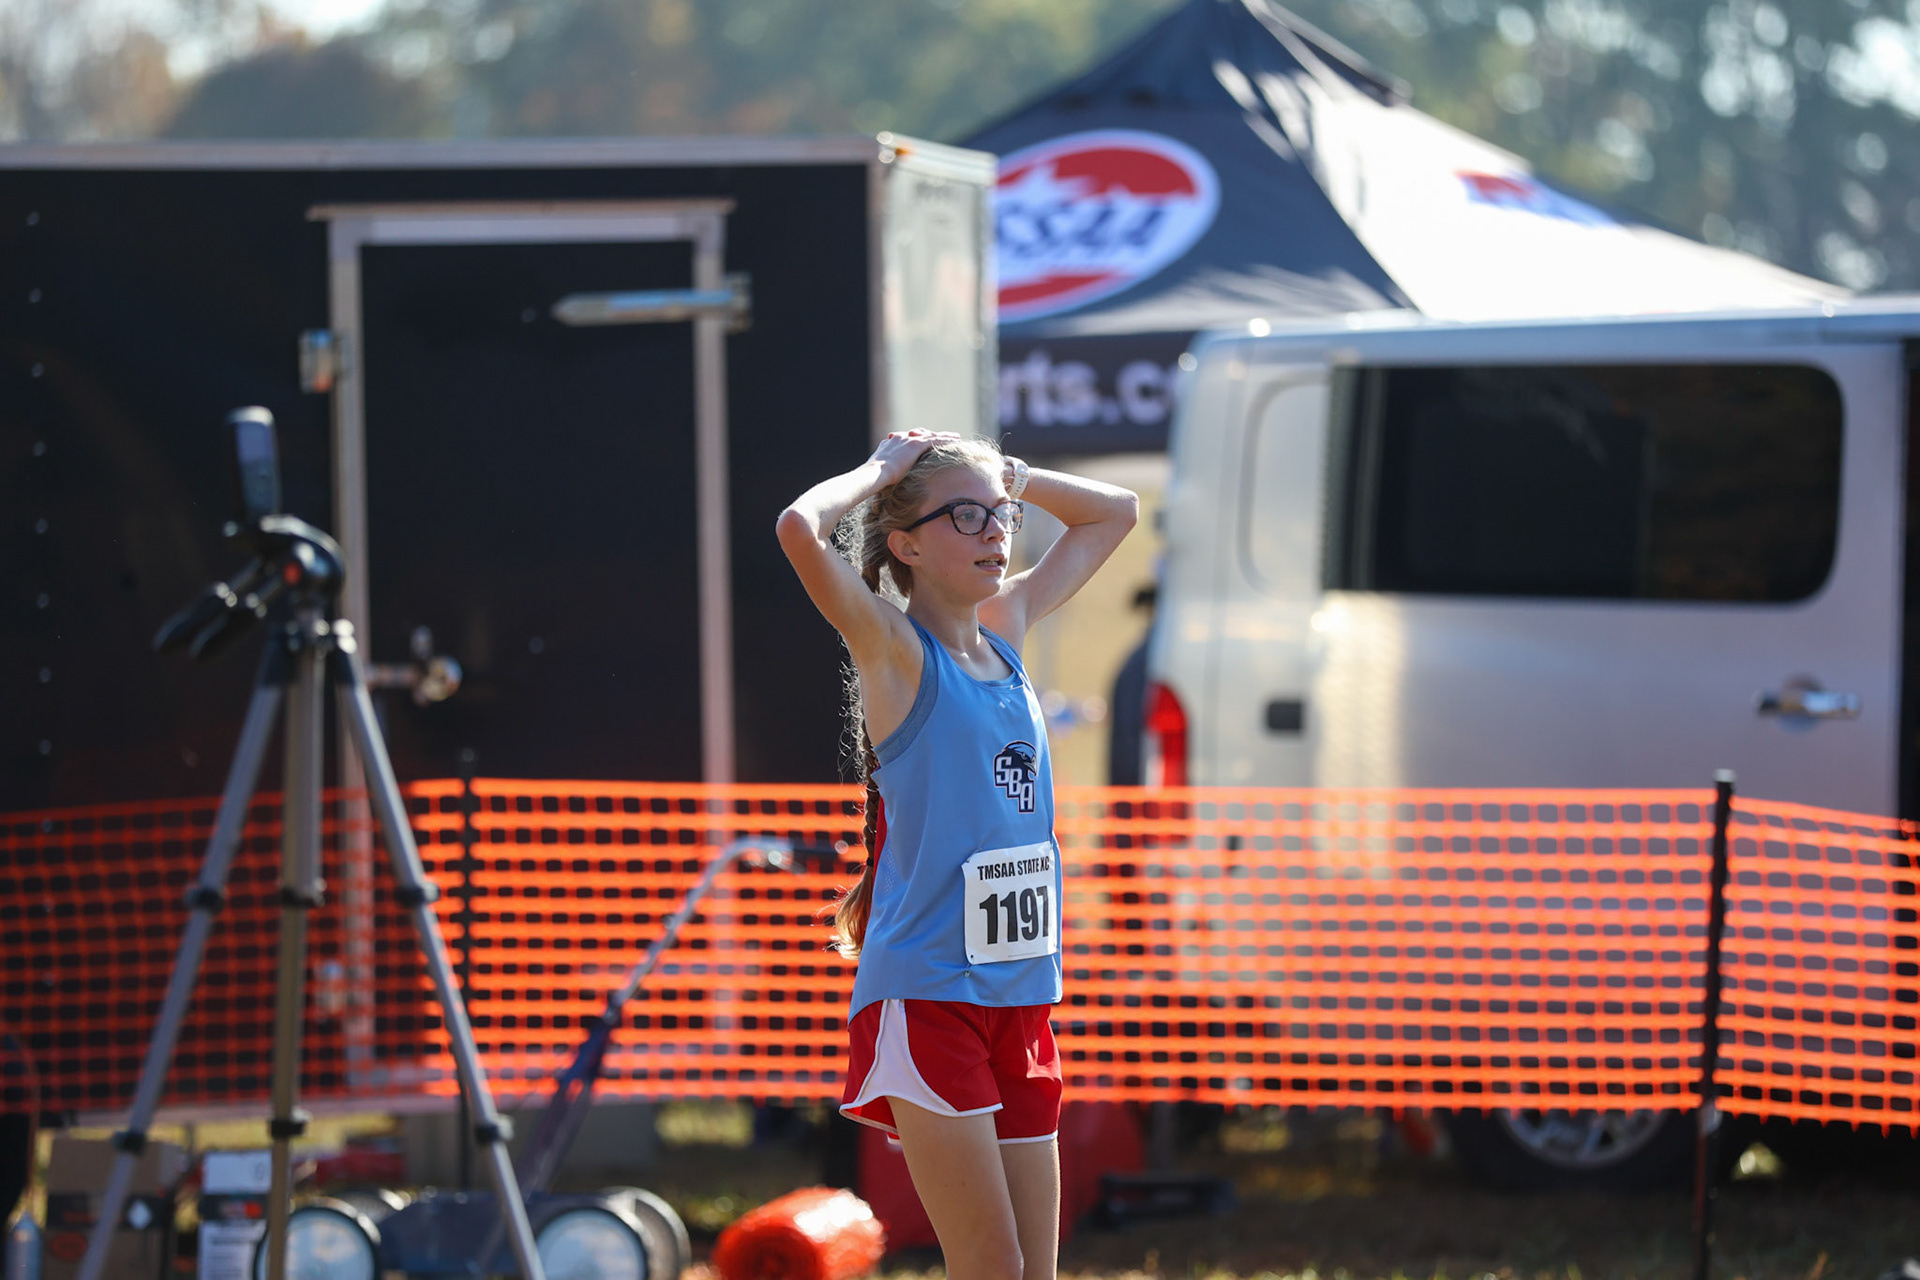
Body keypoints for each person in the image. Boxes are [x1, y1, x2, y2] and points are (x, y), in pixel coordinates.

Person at [776, 430, 1137, 1280]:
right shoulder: (895, 650)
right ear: (906, 546)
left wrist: (1007, 476)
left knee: (1035, 1270)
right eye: (965, 517)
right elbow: (798, 528)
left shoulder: (1005, 627)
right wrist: (880, 473)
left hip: (1021, 996)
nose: (995, 531)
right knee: (990, 1264)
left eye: (1001, 515)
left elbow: (1115, 513)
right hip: (930, 996)